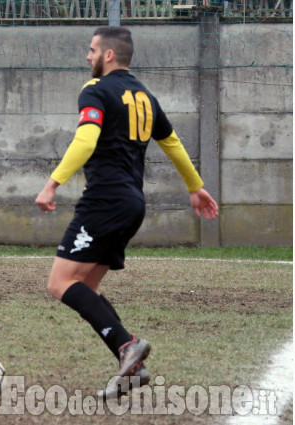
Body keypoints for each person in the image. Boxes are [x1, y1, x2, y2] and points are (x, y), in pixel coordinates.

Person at [35, 27, 218, 397]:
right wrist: (195, 186)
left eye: (91, 51)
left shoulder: (95, 90)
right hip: (132, 202)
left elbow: (86, 138)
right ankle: (132, 368)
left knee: (59, 283)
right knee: (86, 288)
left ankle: (126, 344)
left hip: (103, 200)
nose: (87, 57)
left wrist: (53, 182)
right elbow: (173, 142)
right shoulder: (145, 97)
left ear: (108, 56)